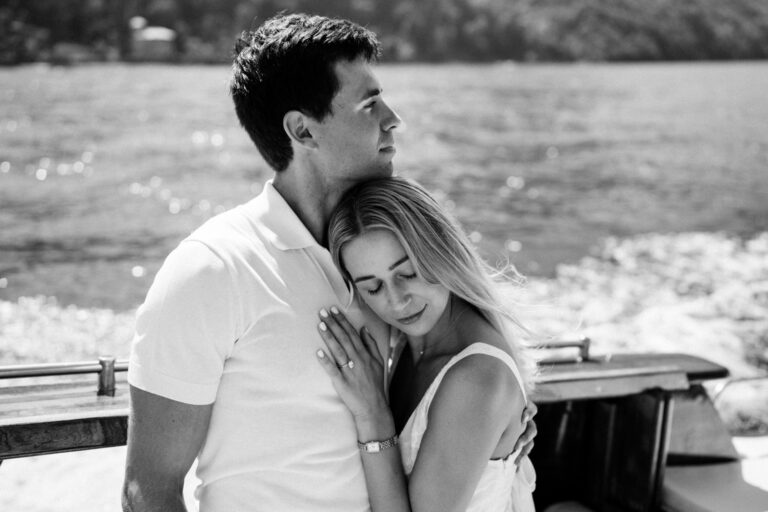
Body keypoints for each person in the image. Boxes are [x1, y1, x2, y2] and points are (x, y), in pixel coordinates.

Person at [122, 13, 536, 512]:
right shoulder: (216, 269)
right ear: (303, 129)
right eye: (368, 104)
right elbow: (148, 492)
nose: (393, 118)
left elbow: (455, 375)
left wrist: (497, 430)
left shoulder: (377, 249)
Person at [315, 176, 536, 511]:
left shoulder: (476, 377)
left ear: (440, 250)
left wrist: (373, 414)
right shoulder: (405, 342)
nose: (397, 301)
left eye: (407, 274)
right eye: (372, 288)